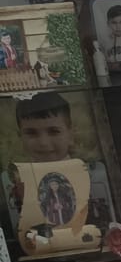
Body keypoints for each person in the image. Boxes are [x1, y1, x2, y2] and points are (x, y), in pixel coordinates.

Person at [11, 92, 113, 228]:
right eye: (31, 133)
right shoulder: (18, 182)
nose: (43, 142)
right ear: (20, 137)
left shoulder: (93, 176)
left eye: (54, 131)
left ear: (71, 134)